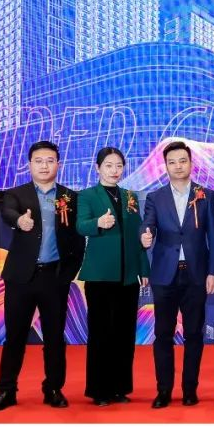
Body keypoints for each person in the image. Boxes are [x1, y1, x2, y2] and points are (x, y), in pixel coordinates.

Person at [0, 141, 85, 412]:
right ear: (29, 165)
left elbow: (77, 240)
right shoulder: (16, 194)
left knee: (54, 337)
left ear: (58, 164)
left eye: (50, 161)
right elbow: (8, 212)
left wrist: (67, 274)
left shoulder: (70, 197)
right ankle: (6, 390)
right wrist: (20, 221)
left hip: (54, 278)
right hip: (21, 277)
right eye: (39, 161)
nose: (44, 166)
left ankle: (53, 388)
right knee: (15, 336)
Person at [139, 141, 214, 408]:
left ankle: (189, 389)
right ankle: (164, 390)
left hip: (196, 274)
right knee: (163, 334)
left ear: (191, 163)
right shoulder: (156, 197)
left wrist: (213, 272)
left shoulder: (205, 195)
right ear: (165, 166)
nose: (178, 166)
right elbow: (148, 224)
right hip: (165, 275)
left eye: (182, 161)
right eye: (172, 162)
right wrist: (145, 235)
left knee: (194, 335)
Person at [75, 147, 149, 406]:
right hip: (100, 276)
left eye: (119, 165)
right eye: (108, 165)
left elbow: (138, 234)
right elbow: (80, 225)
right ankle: (99, 390)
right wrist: (98, 223)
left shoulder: (129, 196)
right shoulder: (87, 195)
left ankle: (120, 388)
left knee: (124, 334)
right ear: (98, 168)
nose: (114, 170)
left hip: (128, 276)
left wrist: (143, 269)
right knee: (101, 333)